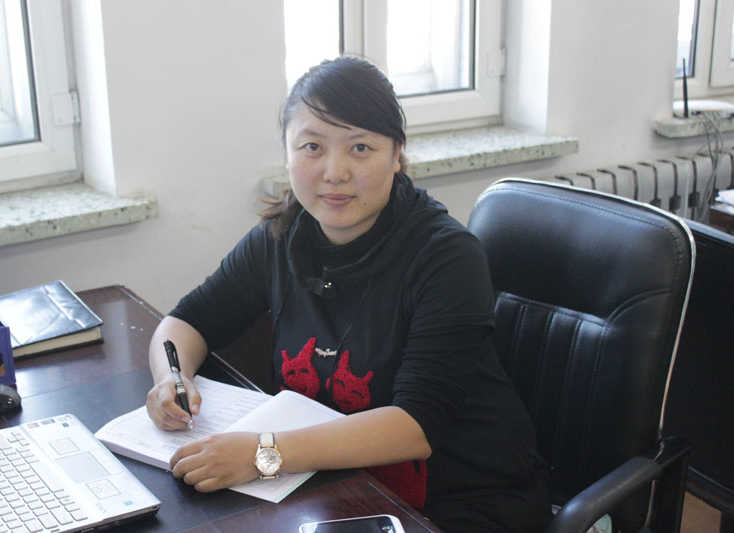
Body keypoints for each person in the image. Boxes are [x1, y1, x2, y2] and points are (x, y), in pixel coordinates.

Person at [146, 56, 552, 532]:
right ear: (287, 153)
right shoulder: (282, 236)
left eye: (360, 147)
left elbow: (415, 426)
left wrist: (262, 454)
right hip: (338, 488)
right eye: (312, 146)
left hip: (461, 501)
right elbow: (187, 321)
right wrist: (170, 380)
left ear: (396, 154)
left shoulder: (447, 257)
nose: (334, 171)